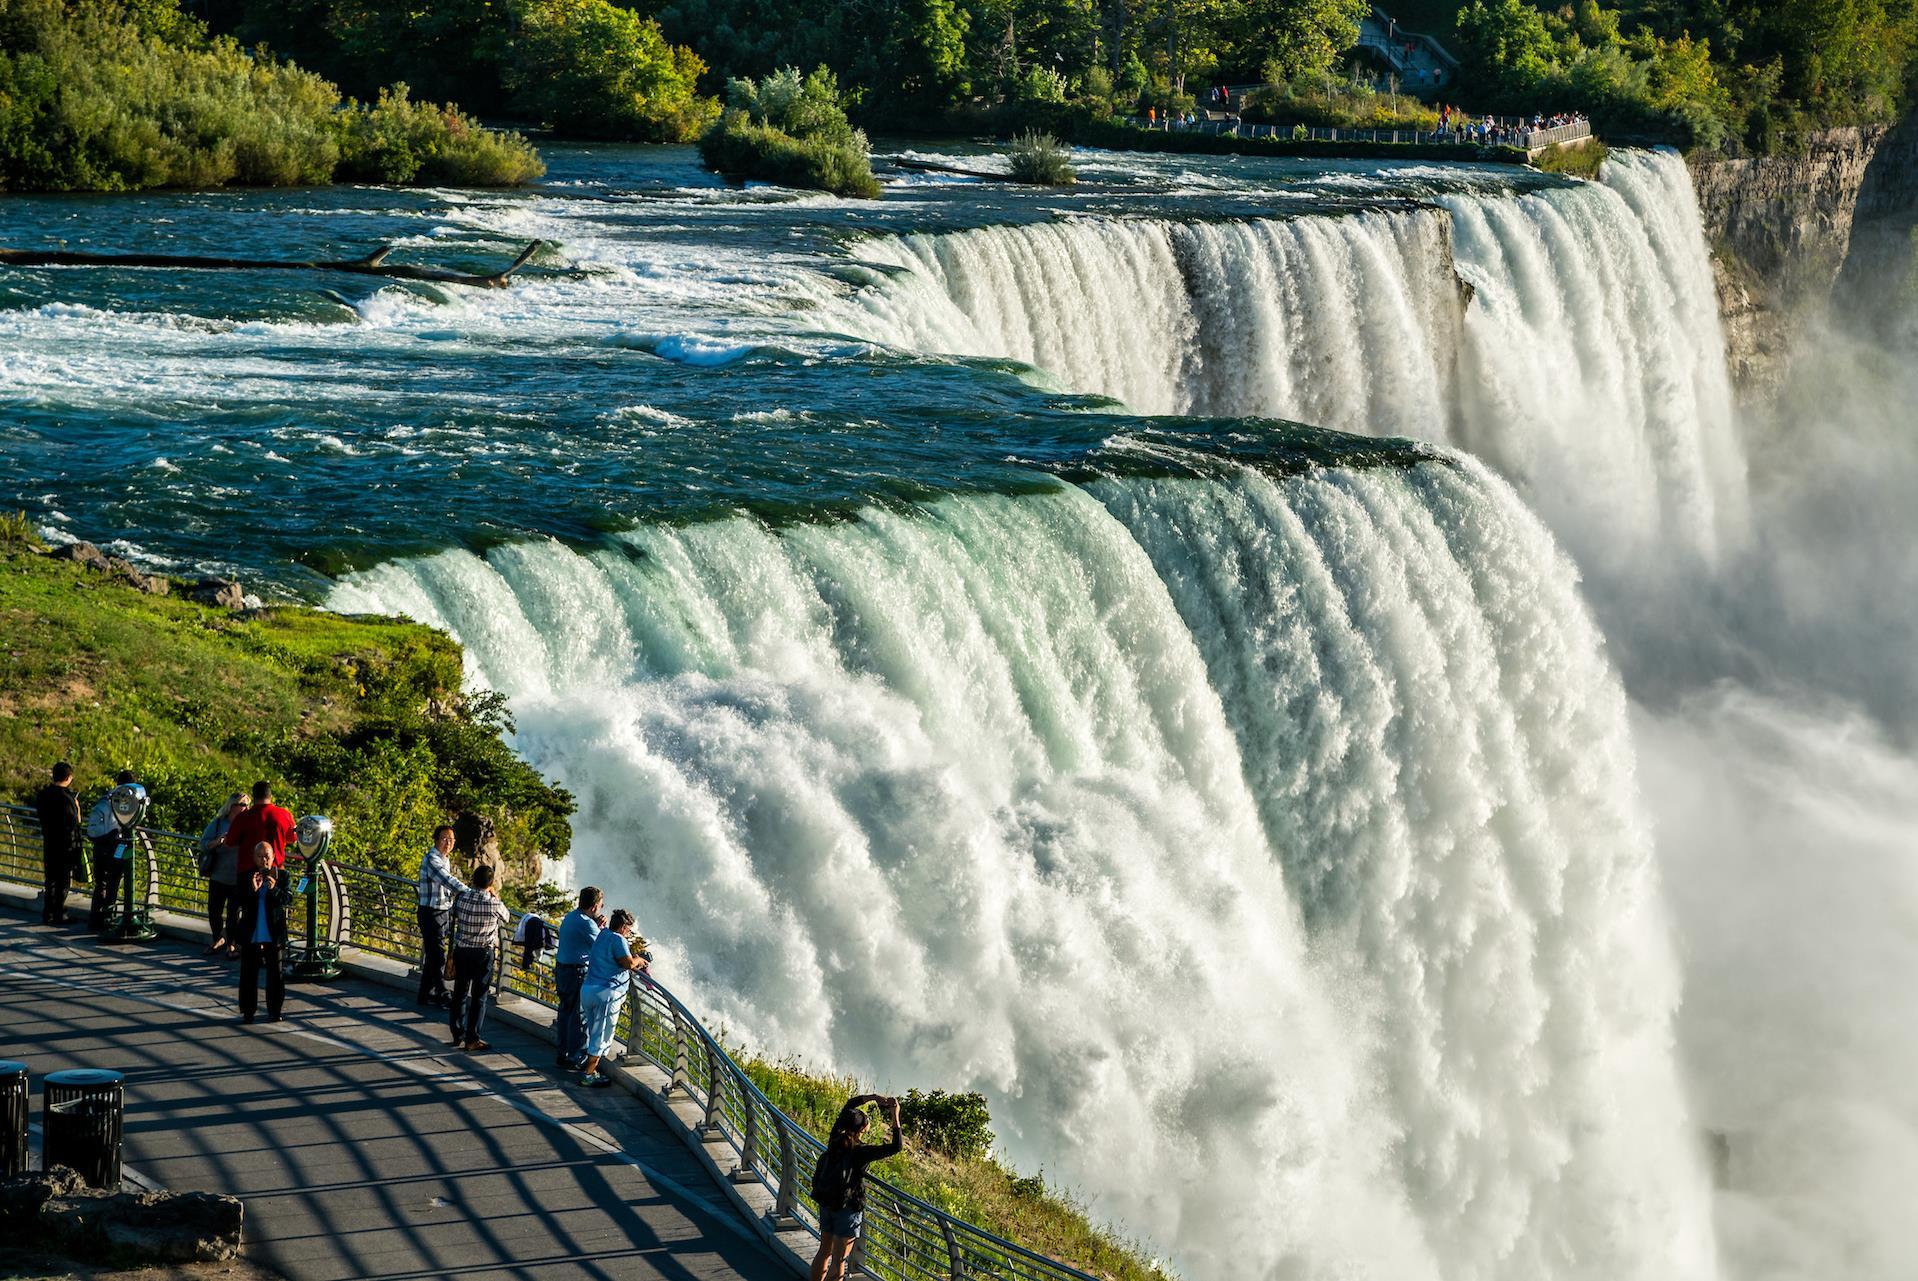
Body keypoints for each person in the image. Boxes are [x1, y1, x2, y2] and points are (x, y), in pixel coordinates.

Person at [808, 1095, 904, 1281]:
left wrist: (873, 1098)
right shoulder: (860, 1151)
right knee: (839, 1261)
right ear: (861, 1129)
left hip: (827, 1202)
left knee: (824, 1253)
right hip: (846, 1208)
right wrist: (895, 1115)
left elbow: (849, 1105)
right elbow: (896, 1147)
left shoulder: (836, 1136)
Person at [577, 909, 647, 1088]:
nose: (629, 933)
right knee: (600, 1037)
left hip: (589, 990)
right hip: (606, 994)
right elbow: (628, 963)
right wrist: (639, 960)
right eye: (629, 930)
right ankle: (588, 1075)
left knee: (593, 1032)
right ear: (623, 927)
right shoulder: (618, 939)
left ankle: (588, 1067)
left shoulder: (602, 934)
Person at [448, 863, 510, 1052]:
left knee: (459, 992)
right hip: (483, 954)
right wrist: (495, 896)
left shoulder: (461, 898)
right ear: (491, 883)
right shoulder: (494, 903)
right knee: (479, 996)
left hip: (462, 951)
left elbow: (453, 914)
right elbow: (506, 917)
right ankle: (472, 1038)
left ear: (473, 880)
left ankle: (457, 1033)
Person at [554, 887, 606, 1072]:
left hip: (562, 968)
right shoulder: (587, 924)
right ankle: (577, 1056)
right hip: (577, 972)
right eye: (600, 905)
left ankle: (563, 1052)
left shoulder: (570, 916)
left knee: (565, 1011)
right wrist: (601, 928)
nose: (602, 908)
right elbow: (603, 947)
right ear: (593, 907)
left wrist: (595, 925)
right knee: (579, 1015)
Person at [236, 842, 288, 1025]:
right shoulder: (246, 876)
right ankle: (248, 1011)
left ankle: (275, 1010)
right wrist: (253, 890)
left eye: (267, 855)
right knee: (248, 974)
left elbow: (287, 900)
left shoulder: (282, 876)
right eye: (259, 856)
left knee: (276, 974)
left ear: (273, 857)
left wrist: (274, 889)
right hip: (252, 932)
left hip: (274, 933)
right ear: (253, 857)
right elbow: (239, 902)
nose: (263, 860)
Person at [416, 825, 466, 1008]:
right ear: (436, 839)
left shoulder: (445, 859)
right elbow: (447, 880)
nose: (448, 843)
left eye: (452, 840)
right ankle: (442, 993)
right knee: (438, 957)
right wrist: (470, 893)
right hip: (430, 913)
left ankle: (424, 995)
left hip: (442, 913)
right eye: (445, 839)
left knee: (433, 956)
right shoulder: (432, 860)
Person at [34, 763, 83, 925]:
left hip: (49, 841)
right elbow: (74, 824)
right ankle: (59, 913)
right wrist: (77, 809)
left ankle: (48, 913)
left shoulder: (43, 795)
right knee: (63, 881)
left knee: (50, 880)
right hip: (65, 846)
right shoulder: (67, 798)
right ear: (68, 777)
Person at [86, 769, 136, 925]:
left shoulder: (105, 798)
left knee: (100, 883)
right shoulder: (125, 799)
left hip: (99, 846)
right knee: (114, 880)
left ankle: (95, 919)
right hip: (117, 846)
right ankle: (108, 918)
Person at [200, 792, 248, 957]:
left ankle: (232, 944)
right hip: (218, 874)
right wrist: (218, 841)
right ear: (231, 806)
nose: (245, 808)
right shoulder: (219, 823)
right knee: (214, 910)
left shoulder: (247, 824)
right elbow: (204, 843)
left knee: (234, 913)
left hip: (238, 876)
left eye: (247, 804)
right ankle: (217, 939)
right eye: (242, 804)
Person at [222, 780, 295, 867]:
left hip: (247, 870)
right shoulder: (285, 815)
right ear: (270, 796)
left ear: (253, 797)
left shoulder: (242, 817)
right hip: (275, 869)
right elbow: (292, 838)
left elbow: (229, 842)